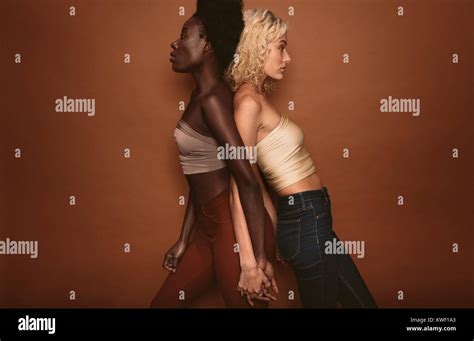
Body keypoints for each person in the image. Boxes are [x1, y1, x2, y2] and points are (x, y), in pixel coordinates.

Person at [227, 9, 377, 308]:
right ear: (258, 46)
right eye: (281, 47)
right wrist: (249, 263)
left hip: (312, 219)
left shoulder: (256, 98)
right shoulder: (247, 104)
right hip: (306, 221)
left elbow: (255, 182)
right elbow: (238, 187)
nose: (287, 58)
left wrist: (276, 228)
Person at [150, 0, 276, 308]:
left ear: (207, 44)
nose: (175, 43)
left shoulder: (214, 101)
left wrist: (257, 260)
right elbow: (202, 174)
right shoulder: (200, 96)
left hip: (233, 230)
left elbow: (246, 179)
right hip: (208, 227)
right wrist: (184, 238)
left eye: (184, 35)